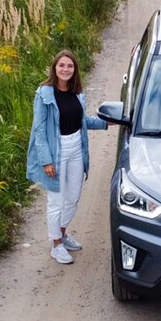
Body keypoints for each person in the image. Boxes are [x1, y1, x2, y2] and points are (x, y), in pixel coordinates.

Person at [26, 50, 107, 264]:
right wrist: (46, 160)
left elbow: (83, 122)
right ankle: (56, 245)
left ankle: (61, 232)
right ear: (55, 68)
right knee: (56, 201)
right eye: (61, 65)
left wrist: (108, 122)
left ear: (74, 70)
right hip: (56, 150)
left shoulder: (77, 93)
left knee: (73, 197)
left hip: (76, 148)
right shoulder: (44, 94)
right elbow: (39, 130)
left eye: (69, 66)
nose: (65, 69)